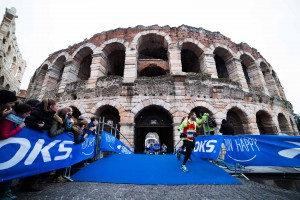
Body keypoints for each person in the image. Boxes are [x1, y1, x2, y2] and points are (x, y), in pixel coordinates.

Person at [0, 103, 31, 199]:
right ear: (21, 113)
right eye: (27, 113)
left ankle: (6, 191)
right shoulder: (9, 120)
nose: (29, 115)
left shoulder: (18, 119)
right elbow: (4, 135)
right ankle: (3, 193)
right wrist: (19, 127)